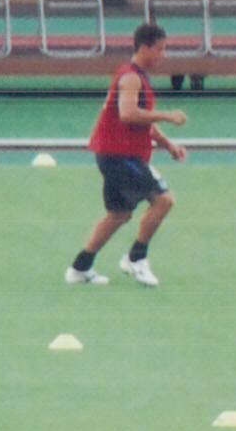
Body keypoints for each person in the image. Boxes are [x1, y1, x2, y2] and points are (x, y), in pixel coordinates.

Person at [66, 23, 188, 288]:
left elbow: (143, 121)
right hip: (121, 156)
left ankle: (80, 268)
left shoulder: (138, 76)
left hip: (115, 155)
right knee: (164, 200)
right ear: (144, 47)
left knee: (118, 214)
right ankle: (136, 258)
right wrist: (168, 116)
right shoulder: (131, 78)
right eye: (160, 49)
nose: (163, 55)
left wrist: (168, 144)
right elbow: (128, 114)